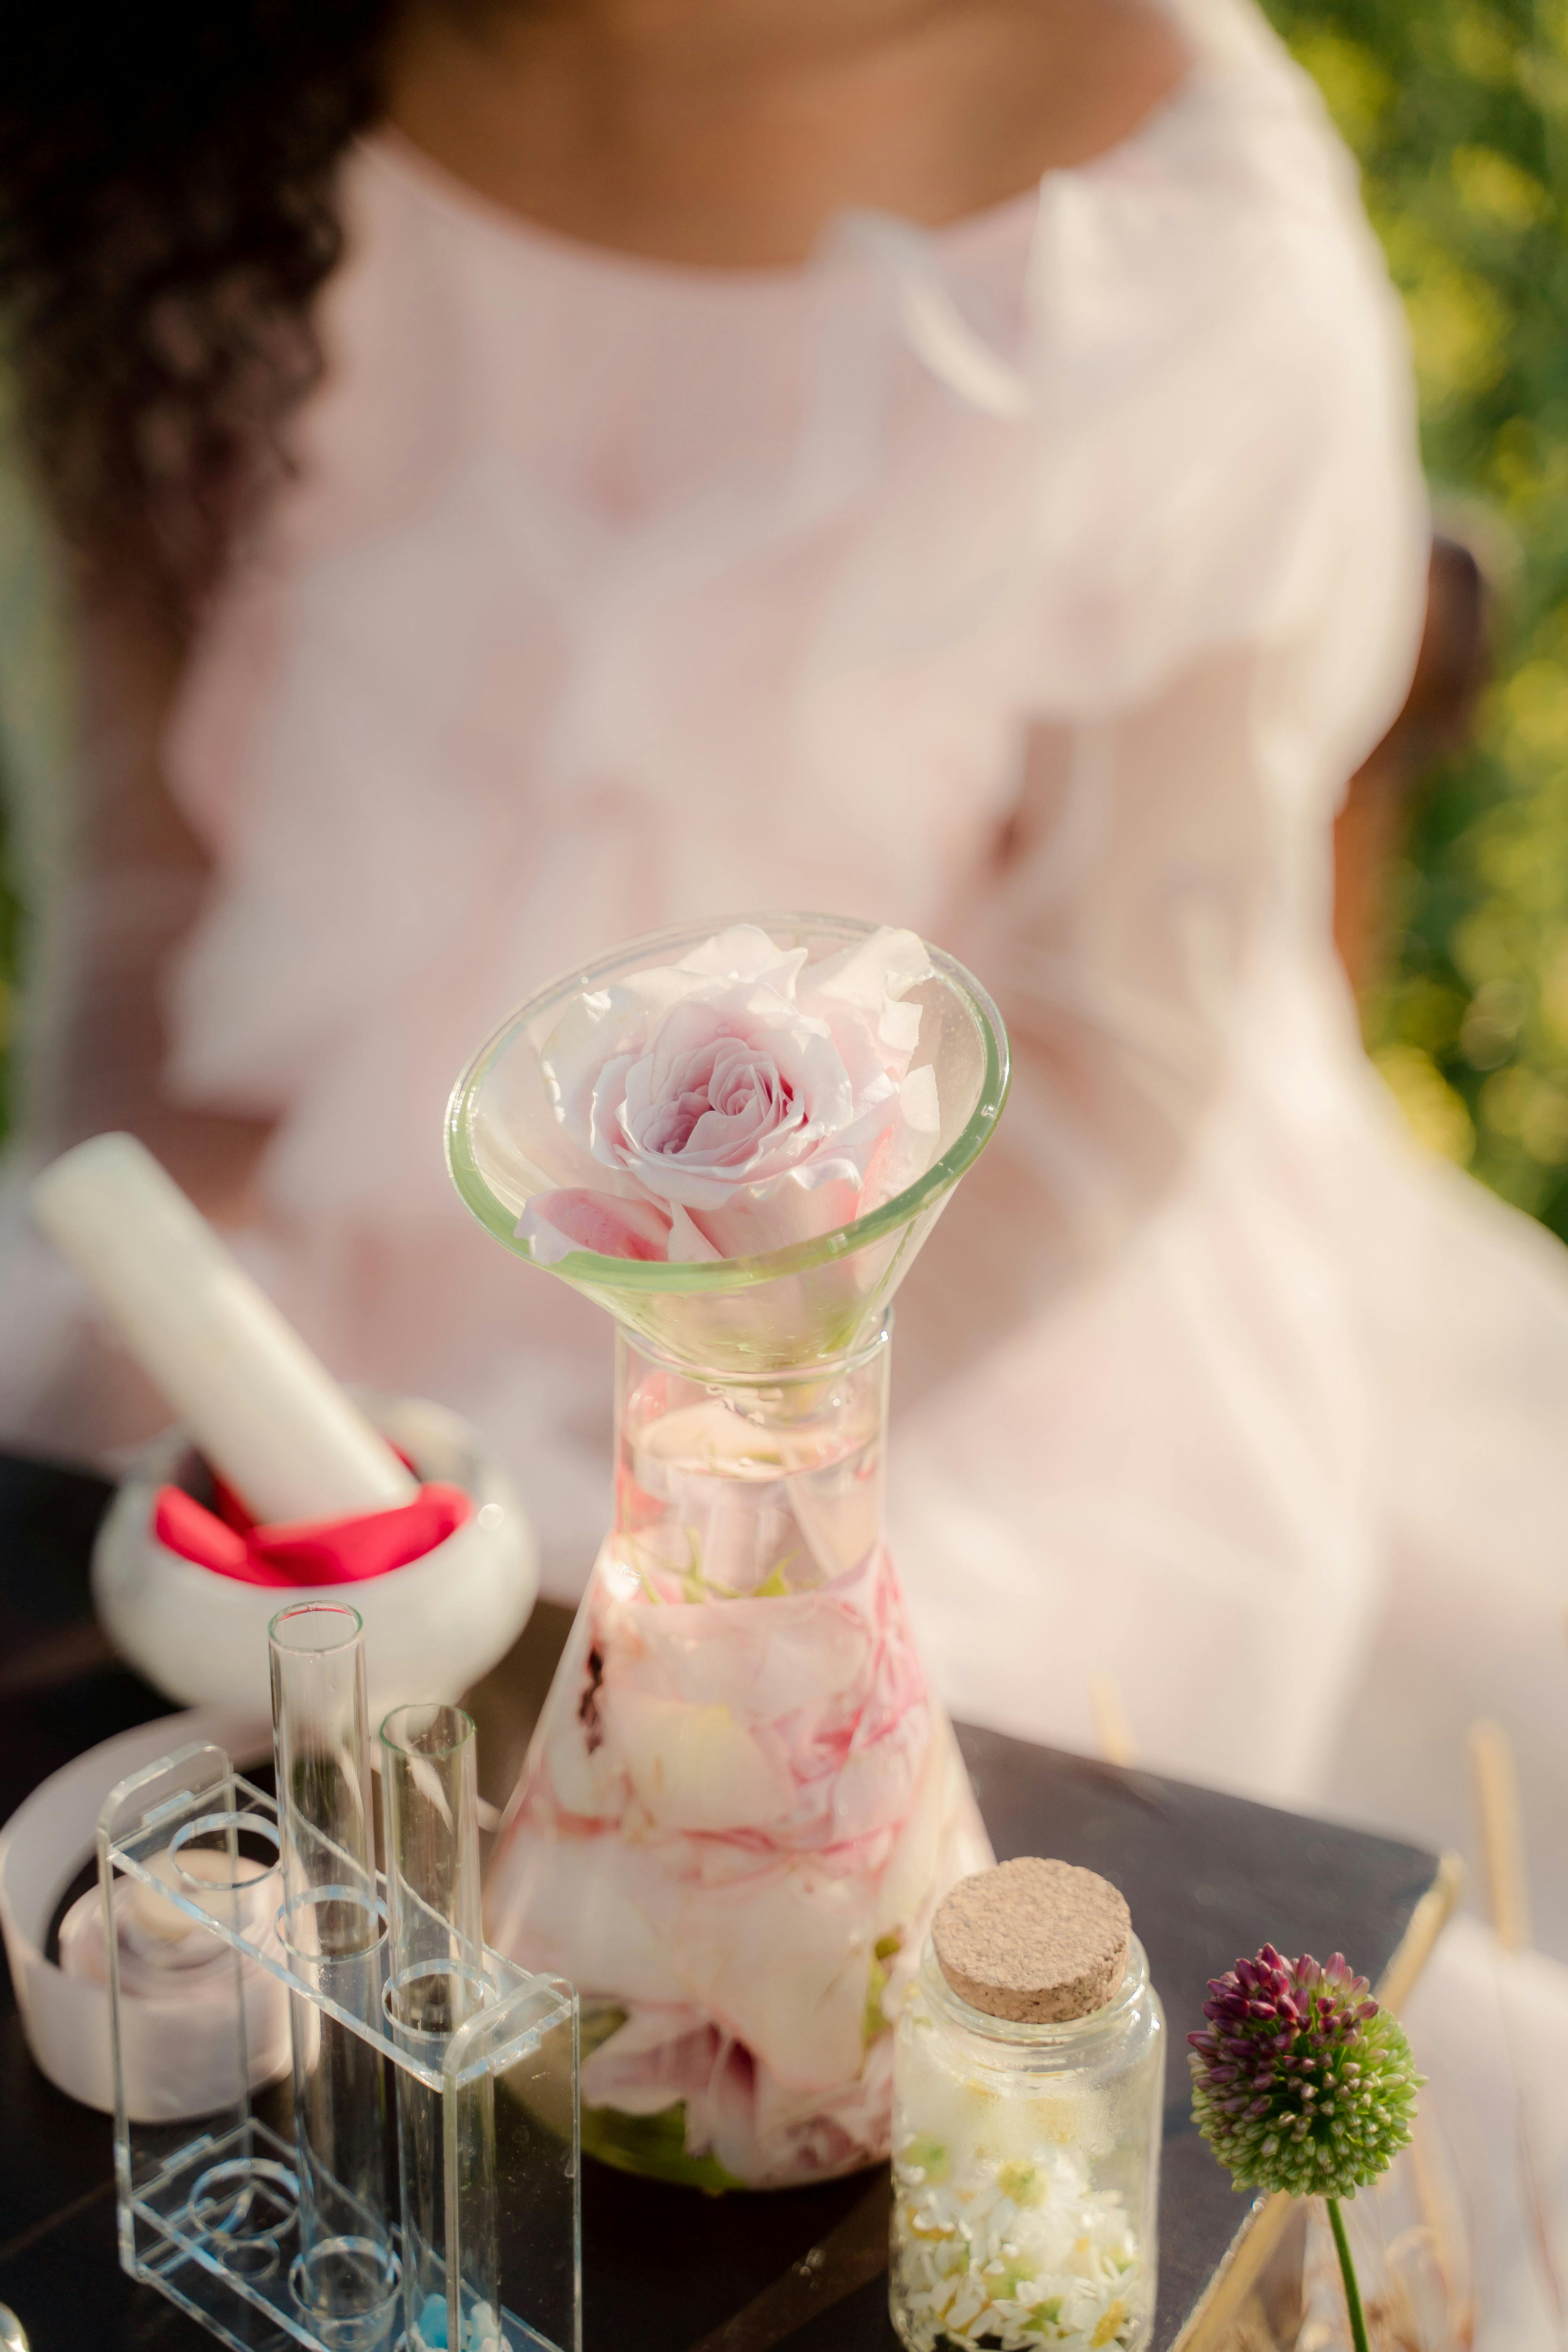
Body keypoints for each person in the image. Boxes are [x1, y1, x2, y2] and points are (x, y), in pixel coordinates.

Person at [3, 6, 1568, 2326]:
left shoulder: (1185, 224)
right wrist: (142, 1379)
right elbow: (144, 944)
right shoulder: (161, 125)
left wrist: (679, 1477)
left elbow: (1124, 1059)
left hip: (917, 1315)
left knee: (823, 2037)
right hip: (321, 1279)